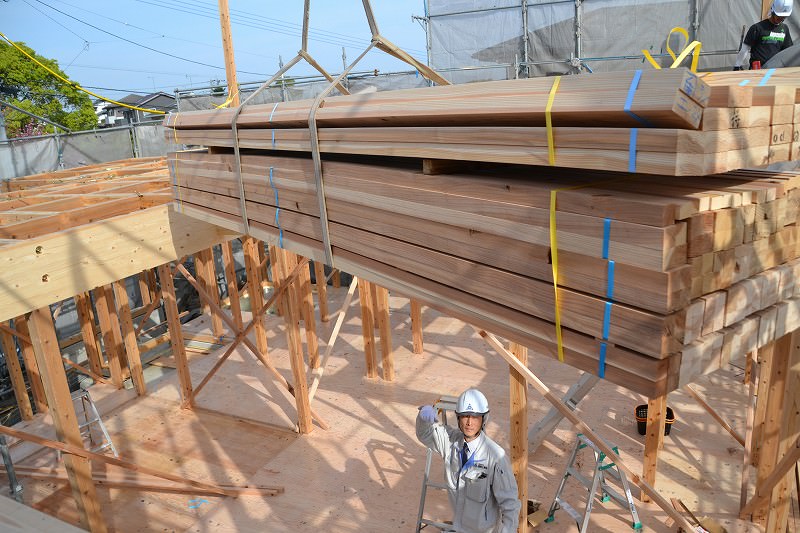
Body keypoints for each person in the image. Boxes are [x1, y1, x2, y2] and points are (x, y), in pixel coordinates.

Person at [416, 389, 520, 533]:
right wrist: (422, 419)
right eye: (465, 416)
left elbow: (510, 504)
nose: (469, 422)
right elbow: (425, 434)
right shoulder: (449, 441)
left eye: (475, 417)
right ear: (458, 418)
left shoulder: (495, 457)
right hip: (459, 527)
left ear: (484, 419)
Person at [735, 0, 794, 70]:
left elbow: (788, 51)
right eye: (779, 16)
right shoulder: (757, 28)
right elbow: (745, 48)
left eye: (784, 17)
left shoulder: (784, 29)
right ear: (773, 11)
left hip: (775, 70)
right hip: (757, 71)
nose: (781, 19)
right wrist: (737, 65)